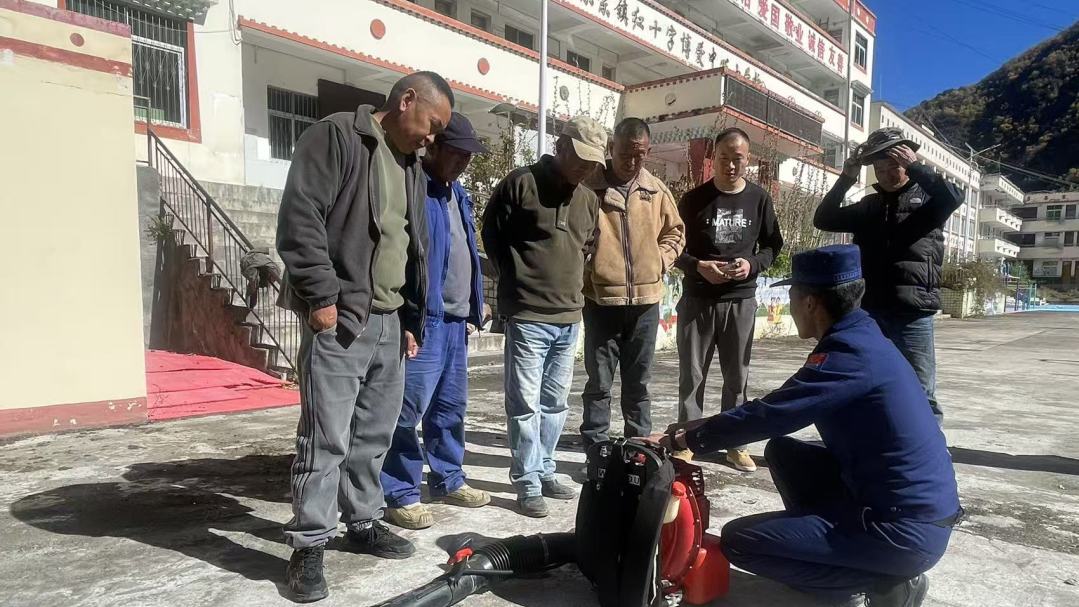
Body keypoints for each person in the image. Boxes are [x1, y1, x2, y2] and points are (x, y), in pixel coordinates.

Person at [651, 245, 962, 607]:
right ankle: (825, 549)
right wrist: (687, 429)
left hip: (900, 532)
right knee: (784, 451)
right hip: (901, 509)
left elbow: (771, 415)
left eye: (792, 295)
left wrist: (685, 440)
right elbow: (774, 407)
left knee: (740, 542)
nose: (791, 303)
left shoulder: (849, 356)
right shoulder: (861, 337)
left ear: (811, 303)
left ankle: (882, 586)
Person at [276, 71, 454, 603]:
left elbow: (412, 245)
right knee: (325, 437)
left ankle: (362, 521)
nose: (433, 138)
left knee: (374, 434)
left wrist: (411, 318)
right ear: (406, 100)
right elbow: (301, 217)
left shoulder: (411, 165)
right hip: (342, 315)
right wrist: (321, 298)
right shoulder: (337, 137)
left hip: (390, 320)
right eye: (432, 123)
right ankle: (309, 543)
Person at [481, 116, 606, 518]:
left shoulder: (588, 199)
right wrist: (515, 279)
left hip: (569, 317)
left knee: (555, 404)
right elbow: (492, 235)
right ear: (561, 146)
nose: (586, 168)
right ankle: (527, 481)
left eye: (593, 162)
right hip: (528, 315)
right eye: (581, 158)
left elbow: (588, 246)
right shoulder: (520, 184)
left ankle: (546, 468)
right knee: (524, 405)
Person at [380, 112, 491, 529]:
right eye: (458, 153)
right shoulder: (414, 186)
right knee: (407, 410)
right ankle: (400, 491)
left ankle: (448, 478)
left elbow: (464, 251)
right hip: (426, 320)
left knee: (449, 408)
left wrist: (476, 303)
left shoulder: (457, 192)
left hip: (457, 321)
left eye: (469, 156)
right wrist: (409, 317)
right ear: (435, 147)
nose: (464, 162)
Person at [814, 127, 963, 425]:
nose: (886, 174)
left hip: (912, 311)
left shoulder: (930, 201)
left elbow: (953, 197)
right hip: (870, 310)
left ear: (906, 163)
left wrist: (918, 167)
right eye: (879, 169)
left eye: (894, 166)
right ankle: (876, 440)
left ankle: (930, 446)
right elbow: (823, 218)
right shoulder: (869, 205)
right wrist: (846, 178)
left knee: (921, 388)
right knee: (868, 380)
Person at [673, 127, 783, 471]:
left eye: (738, 159)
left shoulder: (759, 199)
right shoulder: (693, 200)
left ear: (748, 159)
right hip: (698, 300)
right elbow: (674, 247)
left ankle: (735, 443)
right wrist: (698, 266)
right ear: (714, 157)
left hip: (741, 300)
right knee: (692, 377)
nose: (731, 166)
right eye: (724, 158)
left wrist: (752, 264)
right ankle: (687, 440)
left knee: (737, 379)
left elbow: (773, 245)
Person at [579, 117, 684, 450]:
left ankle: (639, 449)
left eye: (640, 155)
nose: (632, 161)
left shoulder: (656, 190)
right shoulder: (589, 187)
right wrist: (587, 264)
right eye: (626, 153)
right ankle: (596, 449)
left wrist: (660, 260)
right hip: (601, 302)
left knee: (638, 384)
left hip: (646, 304)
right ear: (612, 148)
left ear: (648, 152)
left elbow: (675, 232)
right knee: (599, 382)